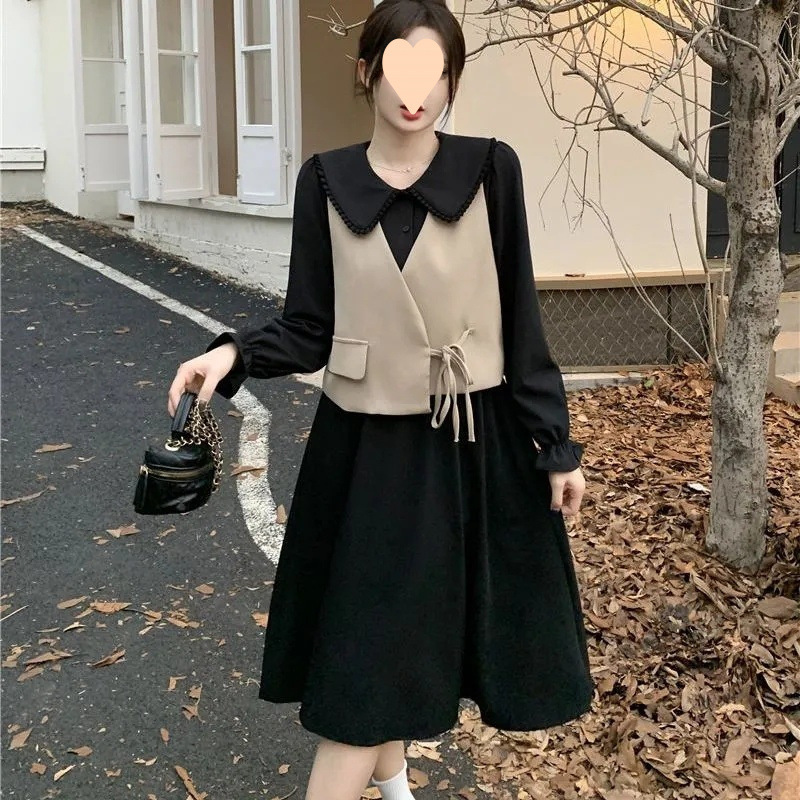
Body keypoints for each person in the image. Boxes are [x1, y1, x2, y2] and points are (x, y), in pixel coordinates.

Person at [168, 1, 593, 798]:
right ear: (366, 72)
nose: (415, 92)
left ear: (452, 83)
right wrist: (231, 354)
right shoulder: (326, 180)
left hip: (470, 447)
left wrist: (554, 444)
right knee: (369, 659)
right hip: (366, 454)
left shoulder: (491, 170)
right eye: (399, 69)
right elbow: (309, 326)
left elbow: (522, 321)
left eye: (435, 74)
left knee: (382, 656)